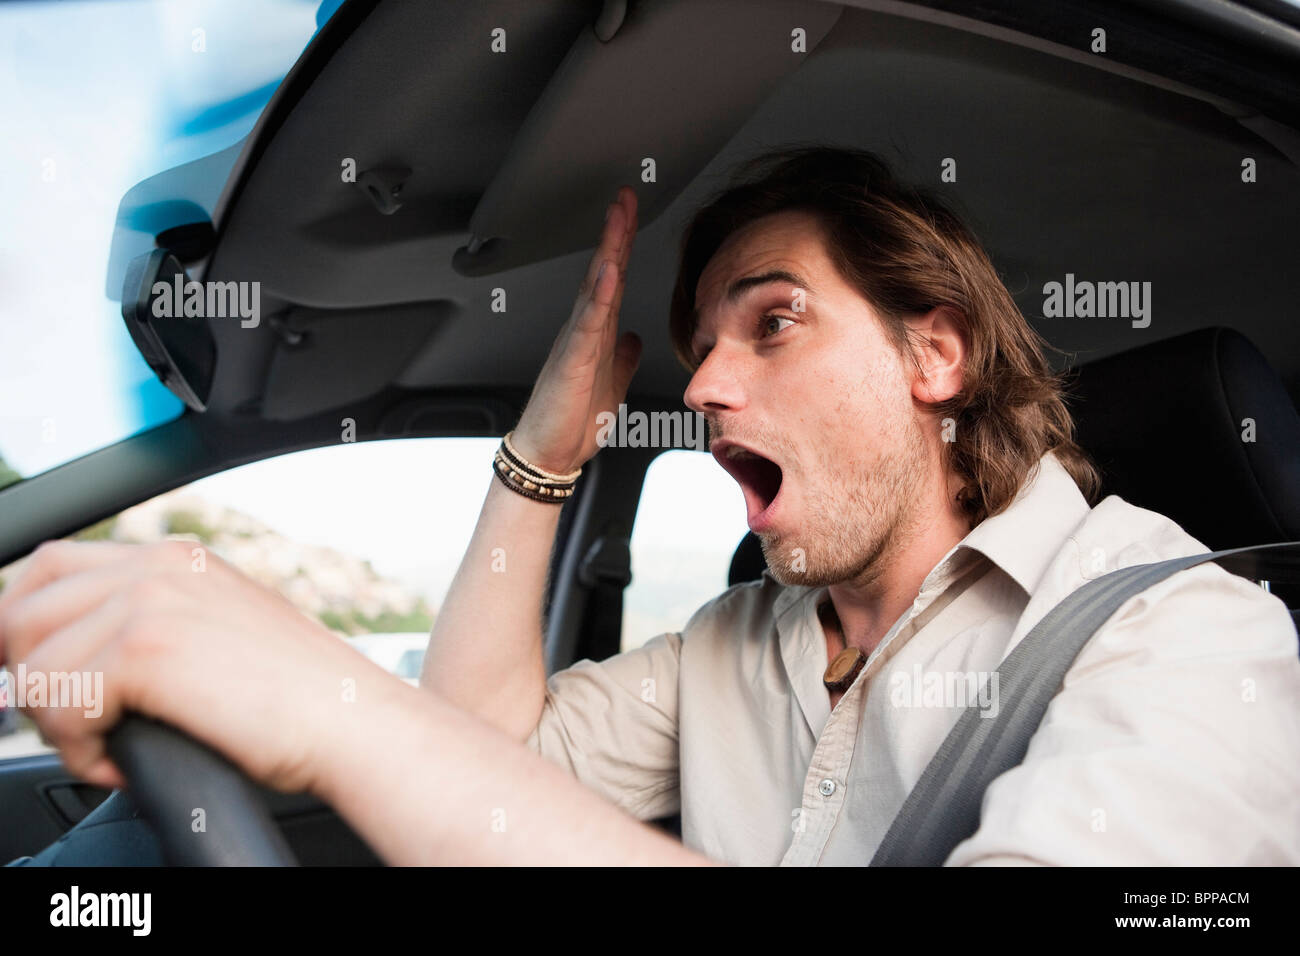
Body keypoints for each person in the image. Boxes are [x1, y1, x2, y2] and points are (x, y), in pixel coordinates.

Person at [1, 147, 1296, 865]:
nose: (711, 384)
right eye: (701, 345)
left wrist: (334, 715)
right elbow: (482, 750)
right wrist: (543, 451)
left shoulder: (1192, 639)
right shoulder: (738, 644)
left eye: (772, 323)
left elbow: (429, 763)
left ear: (935, 356)